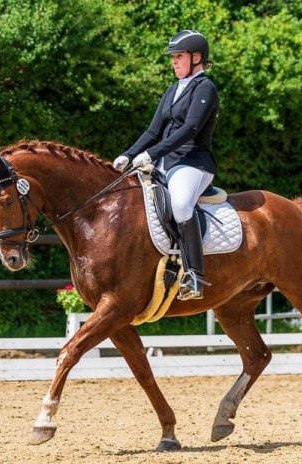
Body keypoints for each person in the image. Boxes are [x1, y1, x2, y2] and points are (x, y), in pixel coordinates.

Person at [113, 30, 219, 301]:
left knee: (181, 205)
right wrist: (128, 154)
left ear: (197, 58)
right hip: (165, 162)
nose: (174, 62)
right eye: (173, 57)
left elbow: (190, 128)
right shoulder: (173, 90)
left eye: (179, 56)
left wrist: (151, 154)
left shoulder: (205, 87)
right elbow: (153, 131)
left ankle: (195, 275)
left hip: (193, 162)